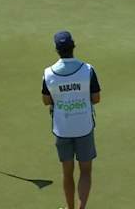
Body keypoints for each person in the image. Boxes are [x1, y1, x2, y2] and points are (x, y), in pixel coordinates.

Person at [42, 31, 101, 209]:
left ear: (57, 50)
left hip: (63, 129)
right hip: (84, 127)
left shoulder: (48, 73)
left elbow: (46, 100)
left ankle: (70, 208)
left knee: (67, 173)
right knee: (85, 172)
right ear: (73, 46)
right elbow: (96, 98)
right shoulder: (87, 70)